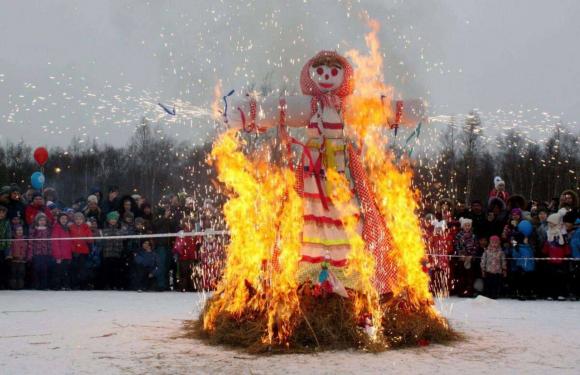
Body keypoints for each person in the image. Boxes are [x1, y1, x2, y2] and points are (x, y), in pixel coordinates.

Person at [542, 213, 570, 300]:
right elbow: (545, 249)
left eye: (552, 224)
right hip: (551, 261)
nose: (550, 225)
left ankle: (561, 293)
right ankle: (551, 293)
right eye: (549, 224)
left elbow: (566, 249)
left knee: (561, 278)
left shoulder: (563, 235)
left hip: (561, 261)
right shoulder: (548, 234)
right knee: (551, 278)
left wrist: (566, 254)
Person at [452, 218, 478, 297]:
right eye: (465, 225)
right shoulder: (459, 235)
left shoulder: (473, 236)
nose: (467, 227)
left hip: (470, 258)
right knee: (461, 275)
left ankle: (469, 292)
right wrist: (460, 254)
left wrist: (472, 255)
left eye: (469, 225)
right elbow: (456, 246)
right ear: (463, 226)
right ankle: (461, 291)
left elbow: (475, 246)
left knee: (470, 276)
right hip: (462, 258)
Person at [173, 220, 201, 292]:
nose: (189, 225)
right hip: (183, 257)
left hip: (192, 256)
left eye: (190, 223)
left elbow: (198, 243)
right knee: (183, 272)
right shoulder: (181, 233)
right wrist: (180, 253)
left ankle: (192, 287)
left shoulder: (194, 233)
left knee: (192, 272)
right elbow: (178, 245)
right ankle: (183, 287)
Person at [100, 211, 126, 290]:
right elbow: (100, 240)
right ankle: (107, 284)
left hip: (117, 252)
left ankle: (116, 284)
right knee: (107, 270)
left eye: (115, 219)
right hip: (107, 253)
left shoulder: (120, 229)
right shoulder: (104, 230)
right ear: (108, 220)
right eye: (111, 219)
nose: (113, 220)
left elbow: (125, 238)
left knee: (117, 270)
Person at [27, 213, 53, 290]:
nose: (42, 221)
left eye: (44, 220)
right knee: (36, 269)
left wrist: (50, 251)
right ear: (37, 221)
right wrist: (31, 253)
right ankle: (36, 285)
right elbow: (31, 241)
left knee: (44, 269)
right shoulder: (33, 229)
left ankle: (44, 285)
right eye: (40, 220)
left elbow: (50, 241)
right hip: (36, 252)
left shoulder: (48, 229)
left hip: (45, 252)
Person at [69, 212, 93, 290]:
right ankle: (74, 285)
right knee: (74, 268)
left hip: (84, 251)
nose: (78, 220)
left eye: (80, 219)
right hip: (74, 252)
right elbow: (70, 240)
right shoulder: (71, 227)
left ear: (83, 220)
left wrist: (85, 239)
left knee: (83, 269)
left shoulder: (86, 227)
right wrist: (73, 250)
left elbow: (90, 239)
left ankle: (83, 285)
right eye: (76, 219)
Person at [51, 213, 73, 290]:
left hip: (67, 254)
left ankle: (65, 285)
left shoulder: (67, 228)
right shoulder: (56, 228)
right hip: (60, 255)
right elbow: (55, 243)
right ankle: (57, 286)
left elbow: (69, 242)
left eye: (65, 218)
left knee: (65, 271)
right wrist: (58, 256)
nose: (64, 220)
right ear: (59, 219)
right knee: (58, 271)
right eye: (62, 218)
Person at [563, 212, 579, 300]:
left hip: (577, 257)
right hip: (572, 257)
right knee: (572, 275)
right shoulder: (570, 231)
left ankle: (576, 293)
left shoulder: (577, 231)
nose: (565, 224)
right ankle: (573, 292)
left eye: (567, 222)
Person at [6, 225, 27, 289]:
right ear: (15, 231)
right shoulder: (13, 239)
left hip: (22, 259)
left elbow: (27, 249)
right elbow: (10, 248)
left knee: (21, 272)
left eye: (21, 230)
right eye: (18, 230)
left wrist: (26, 256)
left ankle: (20, 286)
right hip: (14, 259)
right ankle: (13, 286)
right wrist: (10, 255)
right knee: (13, 272)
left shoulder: (25, 239)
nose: (20, 231)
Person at [0, 205, 11, 289]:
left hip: (3, 248)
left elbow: (8, 236)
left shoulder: (6, 222)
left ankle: (3, 283)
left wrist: (8, 251)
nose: (1, 214)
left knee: (3, 266)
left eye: (3, 213)